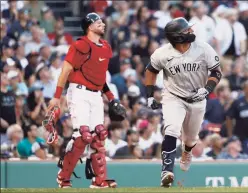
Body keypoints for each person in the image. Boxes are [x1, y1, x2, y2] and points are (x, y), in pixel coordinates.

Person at [46, 13, 125, 188]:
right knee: (83, 136)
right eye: (98, 22)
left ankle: (99, 180)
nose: (103, 24)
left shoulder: (105, 47)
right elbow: (65, 71)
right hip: (79, 92)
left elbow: (99, 77)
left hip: (96, 95)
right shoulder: (80, 45)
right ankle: (63, 176)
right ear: (89, 26)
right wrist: (57, 97)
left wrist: (111, 98)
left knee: (99, 135)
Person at [144, 17, 222, 187]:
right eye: (187, 30)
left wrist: (207, 89)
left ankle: (187, 151)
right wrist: (150, 96)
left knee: (191, 138)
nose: (191, 31)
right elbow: (150, 71)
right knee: (171, 128)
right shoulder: (162, 53)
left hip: (197, 98)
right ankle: (167, 170)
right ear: (178, 37)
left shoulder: (202, 47)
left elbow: (216, 71)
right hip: (173, 96)